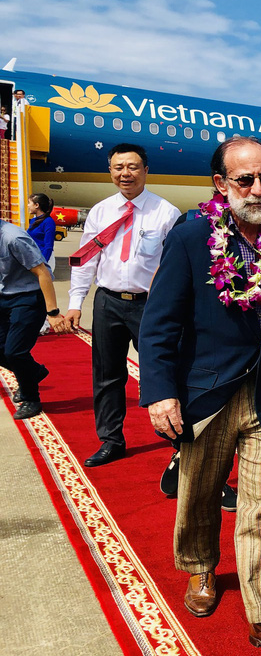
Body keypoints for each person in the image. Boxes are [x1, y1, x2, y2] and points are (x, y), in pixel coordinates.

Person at [140, 136, 261, 655]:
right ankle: (199, 568)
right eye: (245, 179)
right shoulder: (192, 239)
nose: (258, 189)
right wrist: (160, 392)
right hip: (208, 391)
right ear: (221, 184)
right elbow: (160, 323)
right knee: (198, 493)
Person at [66, 143, 181, 467]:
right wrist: (76, 302)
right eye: (118, 168)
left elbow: (175, 265)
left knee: (163, 371)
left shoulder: (165, 213)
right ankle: (111, 440)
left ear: (145, 170)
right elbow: (85, 260)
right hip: (108, 302)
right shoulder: (101, 211)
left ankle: (178, 441)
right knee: (107, 375)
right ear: (110, 172)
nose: (125, 173)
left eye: (132, 167)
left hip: (151, 305)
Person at [1, 221, 69, 420]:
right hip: (3, 296)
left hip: (28, 297)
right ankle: (34, 372)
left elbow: (42, 272)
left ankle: (31, 399)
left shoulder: (13, 237)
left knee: (15, 351)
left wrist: (53, 312)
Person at [27, 193, 57, 266]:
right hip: (33, 260)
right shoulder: (33, 221)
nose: (28, 205)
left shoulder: (48, 222)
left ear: (37, 205)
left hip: (43, 260)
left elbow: (48, 246)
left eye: (29, 203)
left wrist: (43, 263)